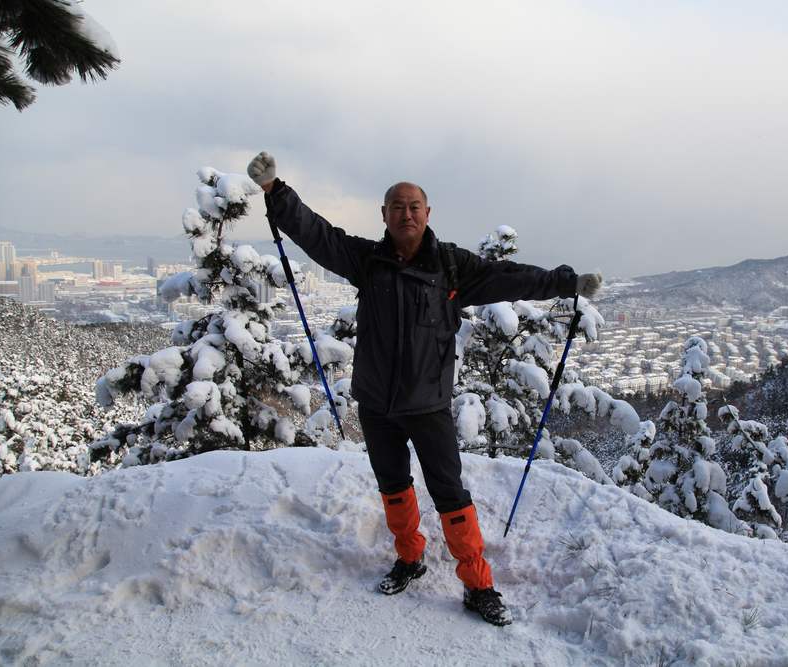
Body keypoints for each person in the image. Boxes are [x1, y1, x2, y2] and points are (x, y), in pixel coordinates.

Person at [247, 151, 601, 626]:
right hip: (376, 404)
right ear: (384, 215)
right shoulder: (366, 261)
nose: (406, 213)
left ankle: (478, 586)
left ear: (427, 214)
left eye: (414, 206)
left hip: (428, 406)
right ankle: (409, 558)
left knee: (450, 494)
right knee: (394, 488)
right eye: (397, 206)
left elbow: (512, 277)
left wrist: (567, 283)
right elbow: (317, 234)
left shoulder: (452, 268)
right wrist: (275, 190)